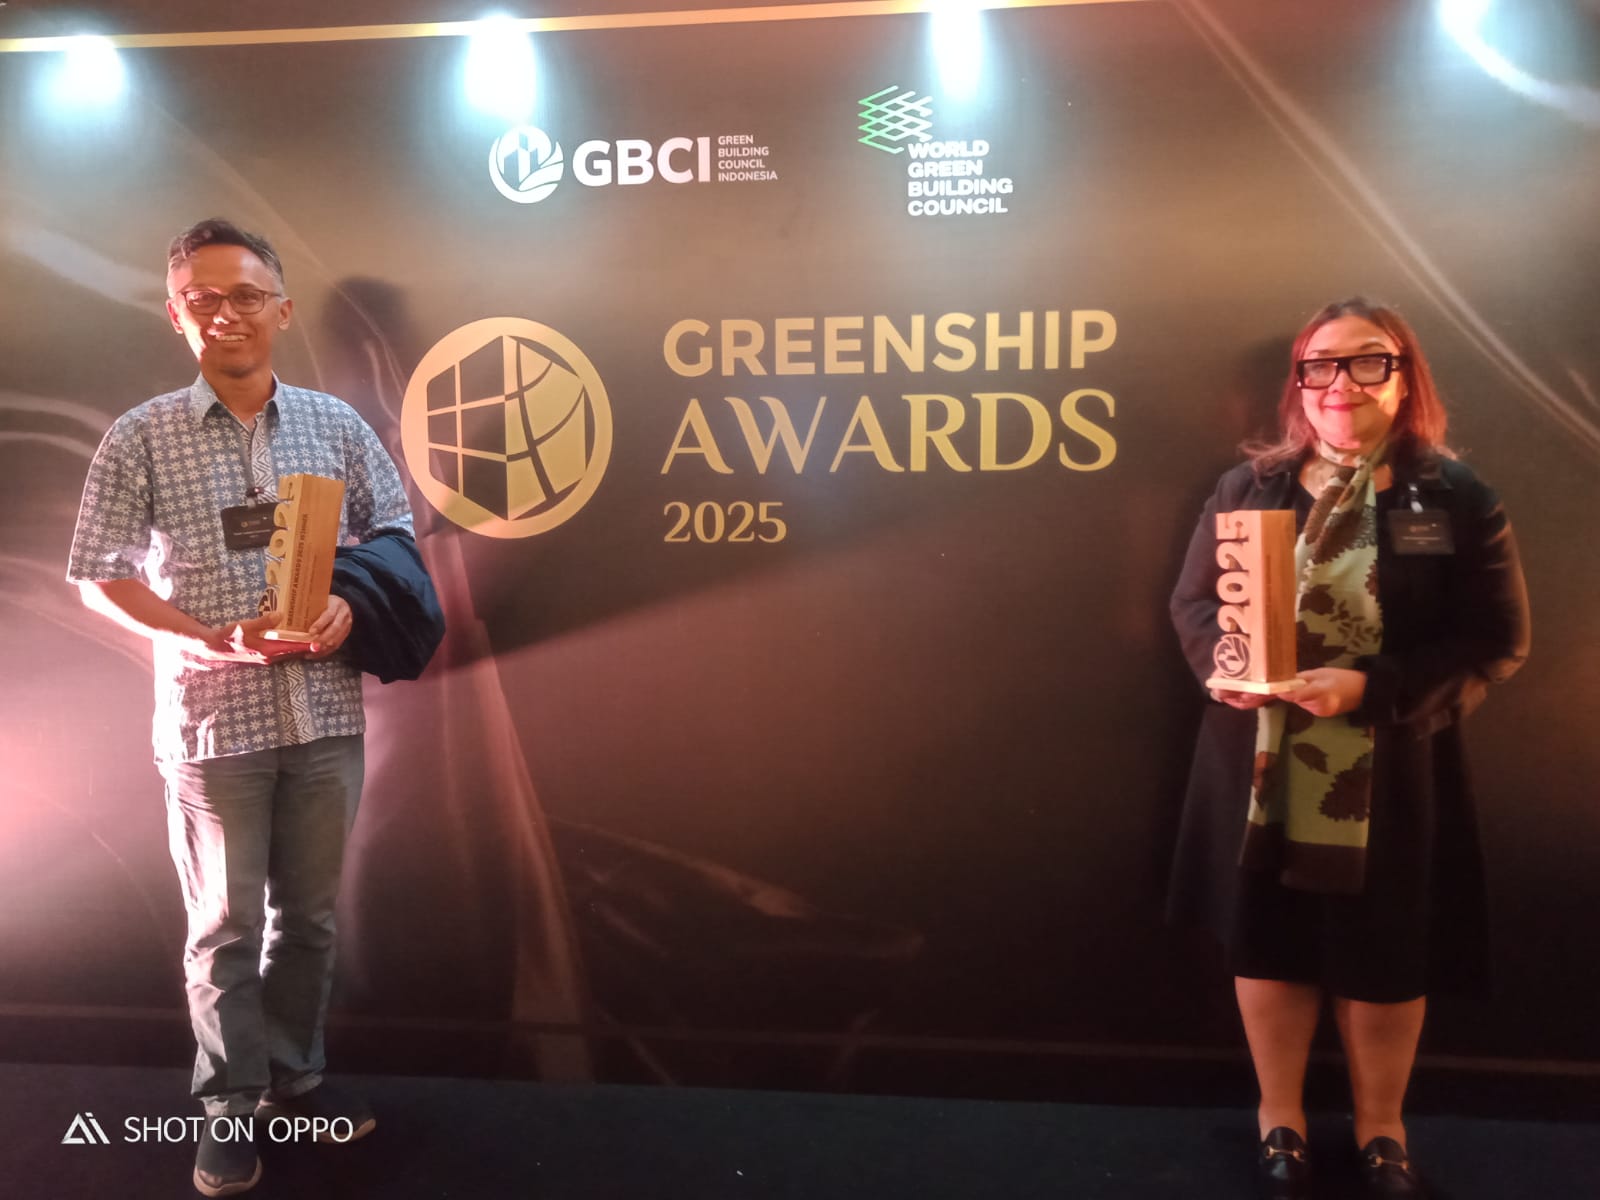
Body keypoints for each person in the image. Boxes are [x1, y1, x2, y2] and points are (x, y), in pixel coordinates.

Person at [68, 219, 415, 1197]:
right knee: (222, 927)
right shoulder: (140, 435)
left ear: (282, 310)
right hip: (212, 724)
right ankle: (229, 1106)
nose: (227, 312)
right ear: (178, 316)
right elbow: (96, 574)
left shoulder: (336, 426)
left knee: (309, 919)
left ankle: (295, 1080)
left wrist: (353, 605)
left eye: (247, 295)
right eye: (205, 299)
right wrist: (205, 635)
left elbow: (395, 530)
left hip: (325, 717)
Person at [1168, 298, 1530, 1199]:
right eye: (1320, 365)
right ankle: (1279, 1117)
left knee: (1386, 948)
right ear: (1299, 382)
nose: (1341, 383)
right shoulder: (1247, 487)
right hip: (1259, 760)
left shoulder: (1455, 496)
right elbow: (1195, 604)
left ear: (1404, 378)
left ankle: (1381, 1128)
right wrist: (1226, 667)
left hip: (1392, 760)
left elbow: (1496, 641)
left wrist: (1372, 688)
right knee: (1268, 939)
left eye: (1367, 362)